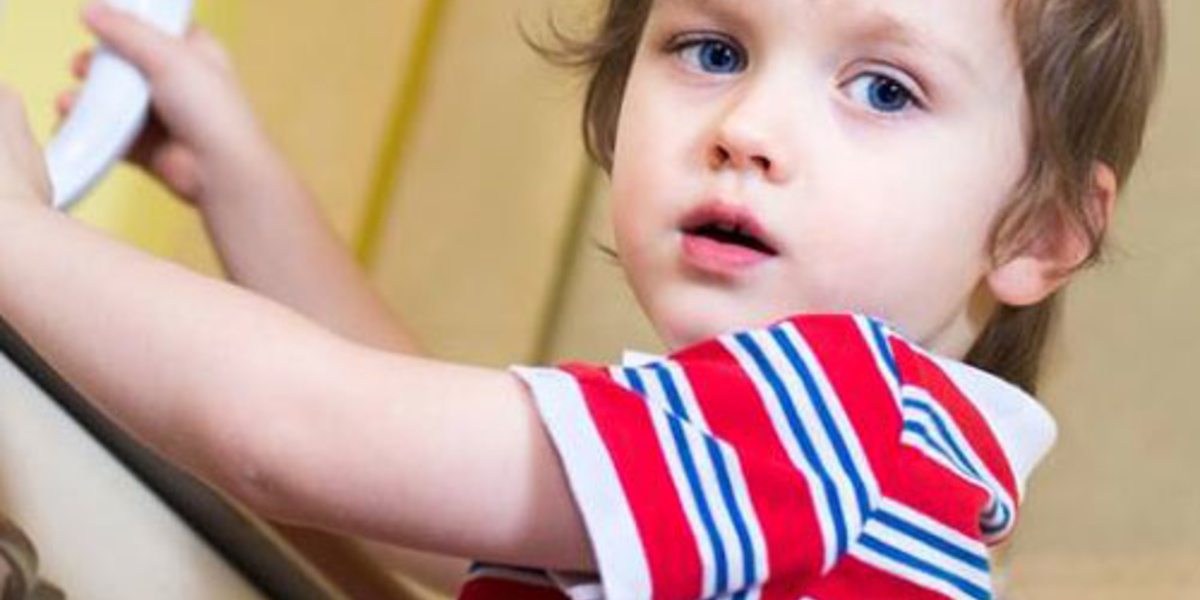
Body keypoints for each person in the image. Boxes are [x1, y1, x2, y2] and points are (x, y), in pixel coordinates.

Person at [0, 0, 1163, 598]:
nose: (748, 129)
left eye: (884, 89)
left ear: (1040, 231)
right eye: (713, 49)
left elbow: (305, 434)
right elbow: (423, 499)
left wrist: (16, 237)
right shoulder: (856, 464)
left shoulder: (832, 420)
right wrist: (235, 174)